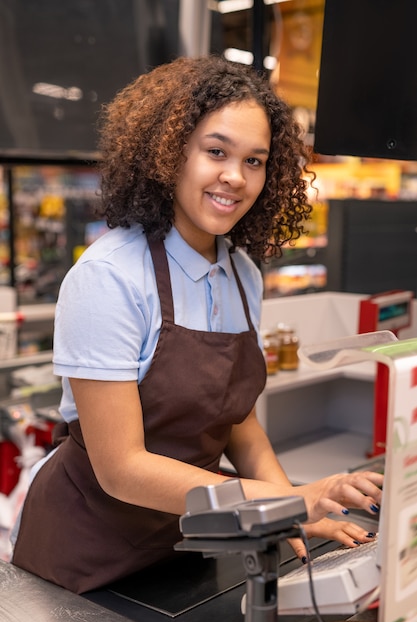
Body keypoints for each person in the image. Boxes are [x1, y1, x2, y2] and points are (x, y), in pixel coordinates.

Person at [11, 55, 383, 594]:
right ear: (168, 151)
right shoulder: (109, 277)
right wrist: (288, 499)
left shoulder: (241, 274)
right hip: (85, 552)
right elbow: (122, 468)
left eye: (255, 160)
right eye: (216, 152)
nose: (235, 176)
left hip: (186, 538)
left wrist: (298, 510)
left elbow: (236, 424)